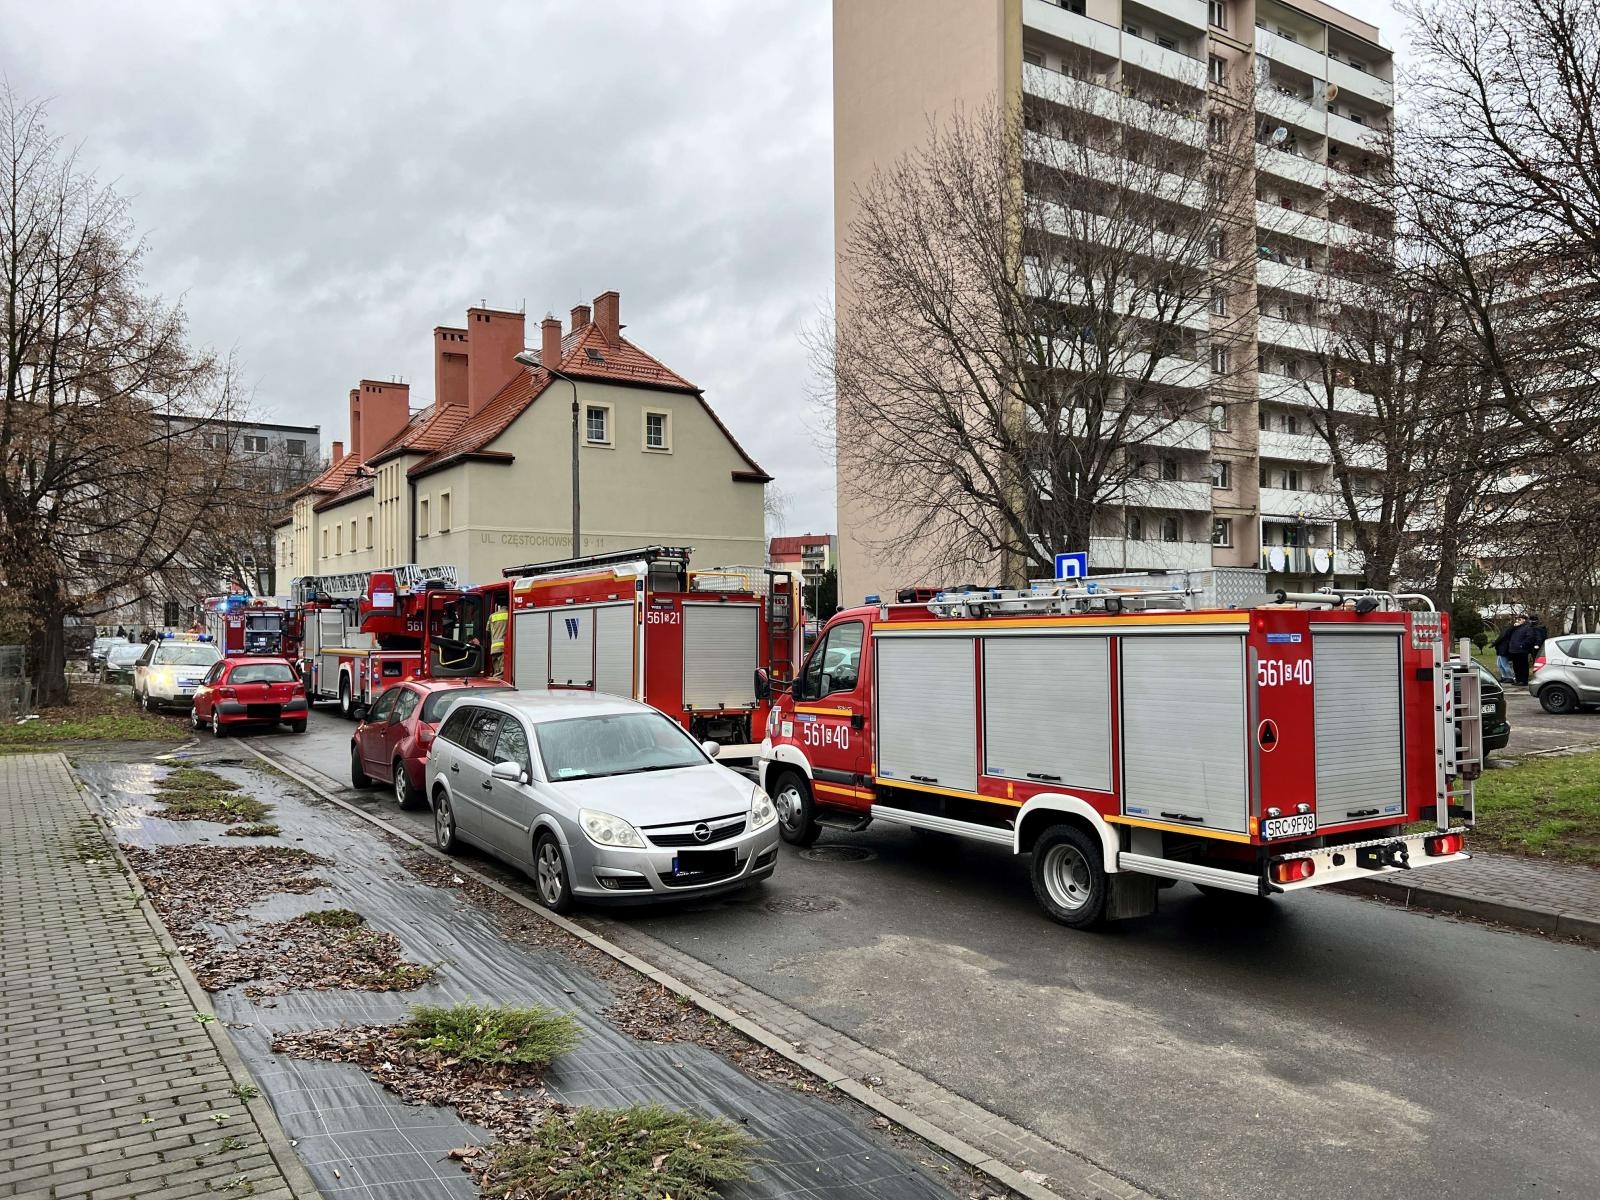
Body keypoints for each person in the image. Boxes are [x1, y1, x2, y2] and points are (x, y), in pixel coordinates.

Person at [1507, 614, 1540, 686]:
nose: (1517, 621)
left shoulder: (1527, 628)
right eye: (1517, 619)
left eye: (1519, 619)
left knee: (1523, 665)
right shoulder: (1515, 628)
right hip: (1513, 650)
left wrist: (1522, 645)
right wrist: (1513, 627)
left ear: (1524, 620)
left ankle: (1523, 680)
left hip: (1522, 650)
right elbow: (1507, 634)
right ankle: (1518, 679)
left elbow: (1530, 638)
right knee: (1516, 666)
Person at [1492, 617, 1523, 683]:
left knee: (1504, 664)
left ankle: (1510, 677)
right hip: (1502, 649)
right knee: (1500, 664)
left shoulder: (1510, 629)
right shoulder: (1508, 628)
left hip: (1504, 649)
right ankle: (1504, 676)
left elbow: (1502, 637)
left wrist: (1494, 643)